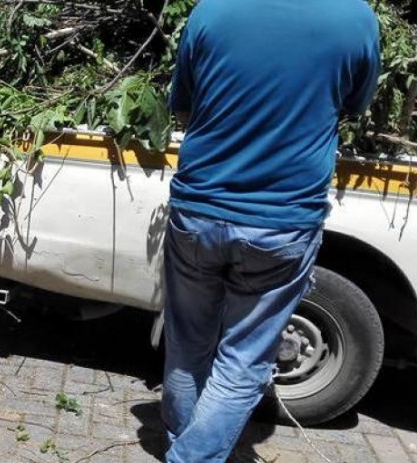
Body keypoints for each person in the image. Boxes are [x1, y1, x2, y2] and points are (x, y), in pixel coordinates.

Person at [163, 0, 381, 460]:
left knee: (187, 343)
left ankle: (183, 445)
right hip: (282, 222)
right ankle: (191, 456)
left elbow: (182, 106)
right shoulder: (356, 18)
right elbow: (355, 105)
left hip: (199, 209)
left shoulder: (212, 11)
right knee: (243, 361)